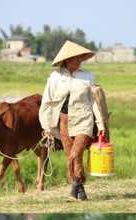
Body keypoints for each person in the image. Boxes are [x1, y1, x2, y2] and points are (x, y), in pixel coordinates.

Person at [39, 40, 107, 202]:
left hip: (84, 119)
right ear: (67, 59)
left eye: (80, 57)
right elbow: (46, 102)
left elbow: (94, 102)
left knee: (75, 154)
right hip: (63, 121)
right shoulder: (55, 78)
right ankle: (81, 191)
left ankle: (73, 190)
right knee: (69, 156)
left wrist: (100, 123)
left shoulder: (87, 76)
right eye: (76, 57)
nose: (79, 60)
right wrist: (47, 126)